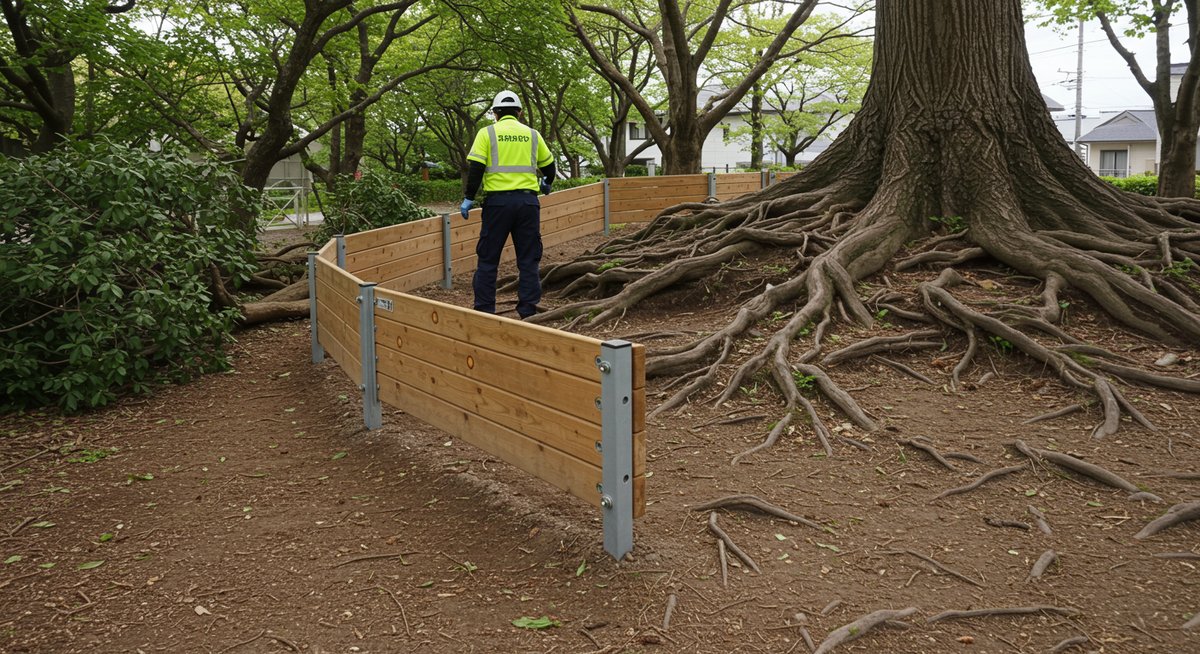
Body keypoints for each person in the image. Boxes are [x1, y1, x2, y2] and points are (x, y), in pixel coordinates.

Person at [459, 90, 555, 319]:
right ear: (520, 112)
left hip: (497, 205)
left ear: (495, 113)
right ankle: (528, 312)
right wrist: (547, 183)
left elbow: (476, 169)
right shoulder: (533, 135)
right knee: (528, 259)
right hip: (527, 203)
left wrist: (468, 198)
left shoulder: (487, 133)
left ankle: (484, 312)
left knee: (488, 259)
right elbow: (550, 168)